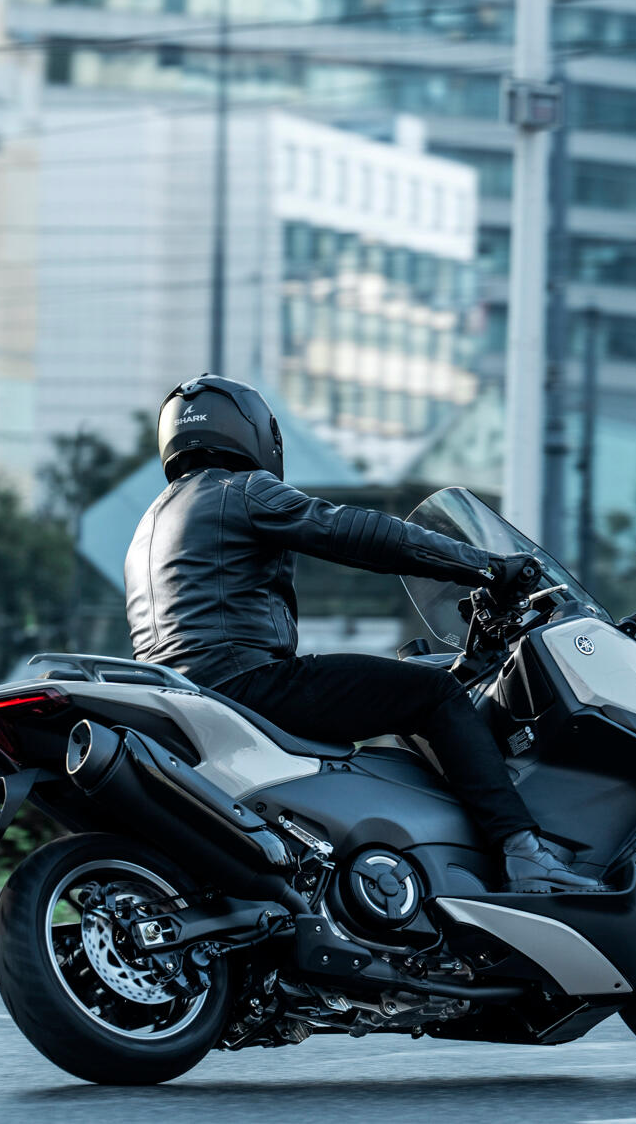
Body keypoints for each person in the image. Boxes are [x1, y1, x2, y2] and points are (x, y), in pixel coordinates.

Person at [123, 375, 599, 893]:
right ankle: (525, 853)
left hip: (183, 699)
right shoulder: (239, 491)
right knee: (434, 692)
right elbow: (354, 532)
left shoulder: (148, 526)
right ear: (253, 431)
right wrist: (486, 567)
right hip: (248, 686)